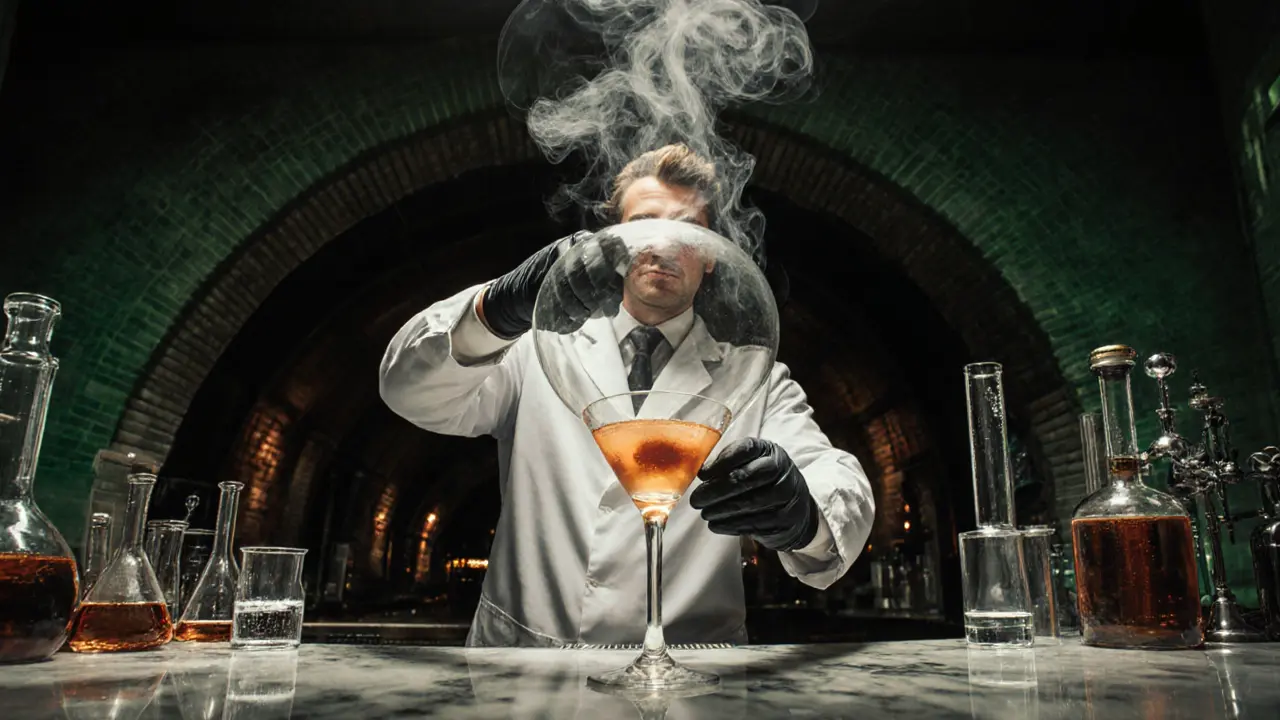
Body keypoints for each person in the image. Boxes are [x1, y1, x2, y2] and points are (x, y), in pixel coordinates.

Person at [379, 144, 875, 647]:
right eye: (643, 224)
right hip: (525, 667)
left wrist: (802, 515)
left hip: (694, 679)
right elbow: (407, 389)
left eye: (687, 230)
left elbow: (836, 478)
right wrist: (497, 309)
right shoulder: (538, 350)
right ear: (612, 247)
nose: (661, 244)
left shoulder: (755, 377)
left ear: (709, 258)